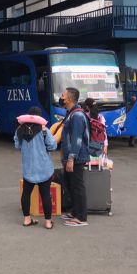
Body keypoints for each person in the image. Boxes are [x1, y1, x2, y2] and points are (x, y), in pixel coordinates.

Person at [15, 106, 57, 229]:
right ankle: (48, 222)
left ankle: (27, 219)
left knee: (26, 194)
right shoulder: (44, 130)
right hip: (44, 168)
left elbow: (17, 145)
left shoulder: (20, 130)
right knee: (45, 194)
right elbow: (53, 146)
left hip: (28, 168)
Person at [59, 87, 90, 227]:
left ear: (70, 99)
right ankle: (74, 212)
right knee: (70, 184)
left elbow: (77, 139)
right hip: (70, 157)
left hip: (77, 158)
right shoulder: (70, 113)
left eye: (63, 95)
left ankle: (81, 217)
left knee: (77, 186)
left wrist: (71, 158)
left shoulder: (77, 115)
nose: (61, 97)